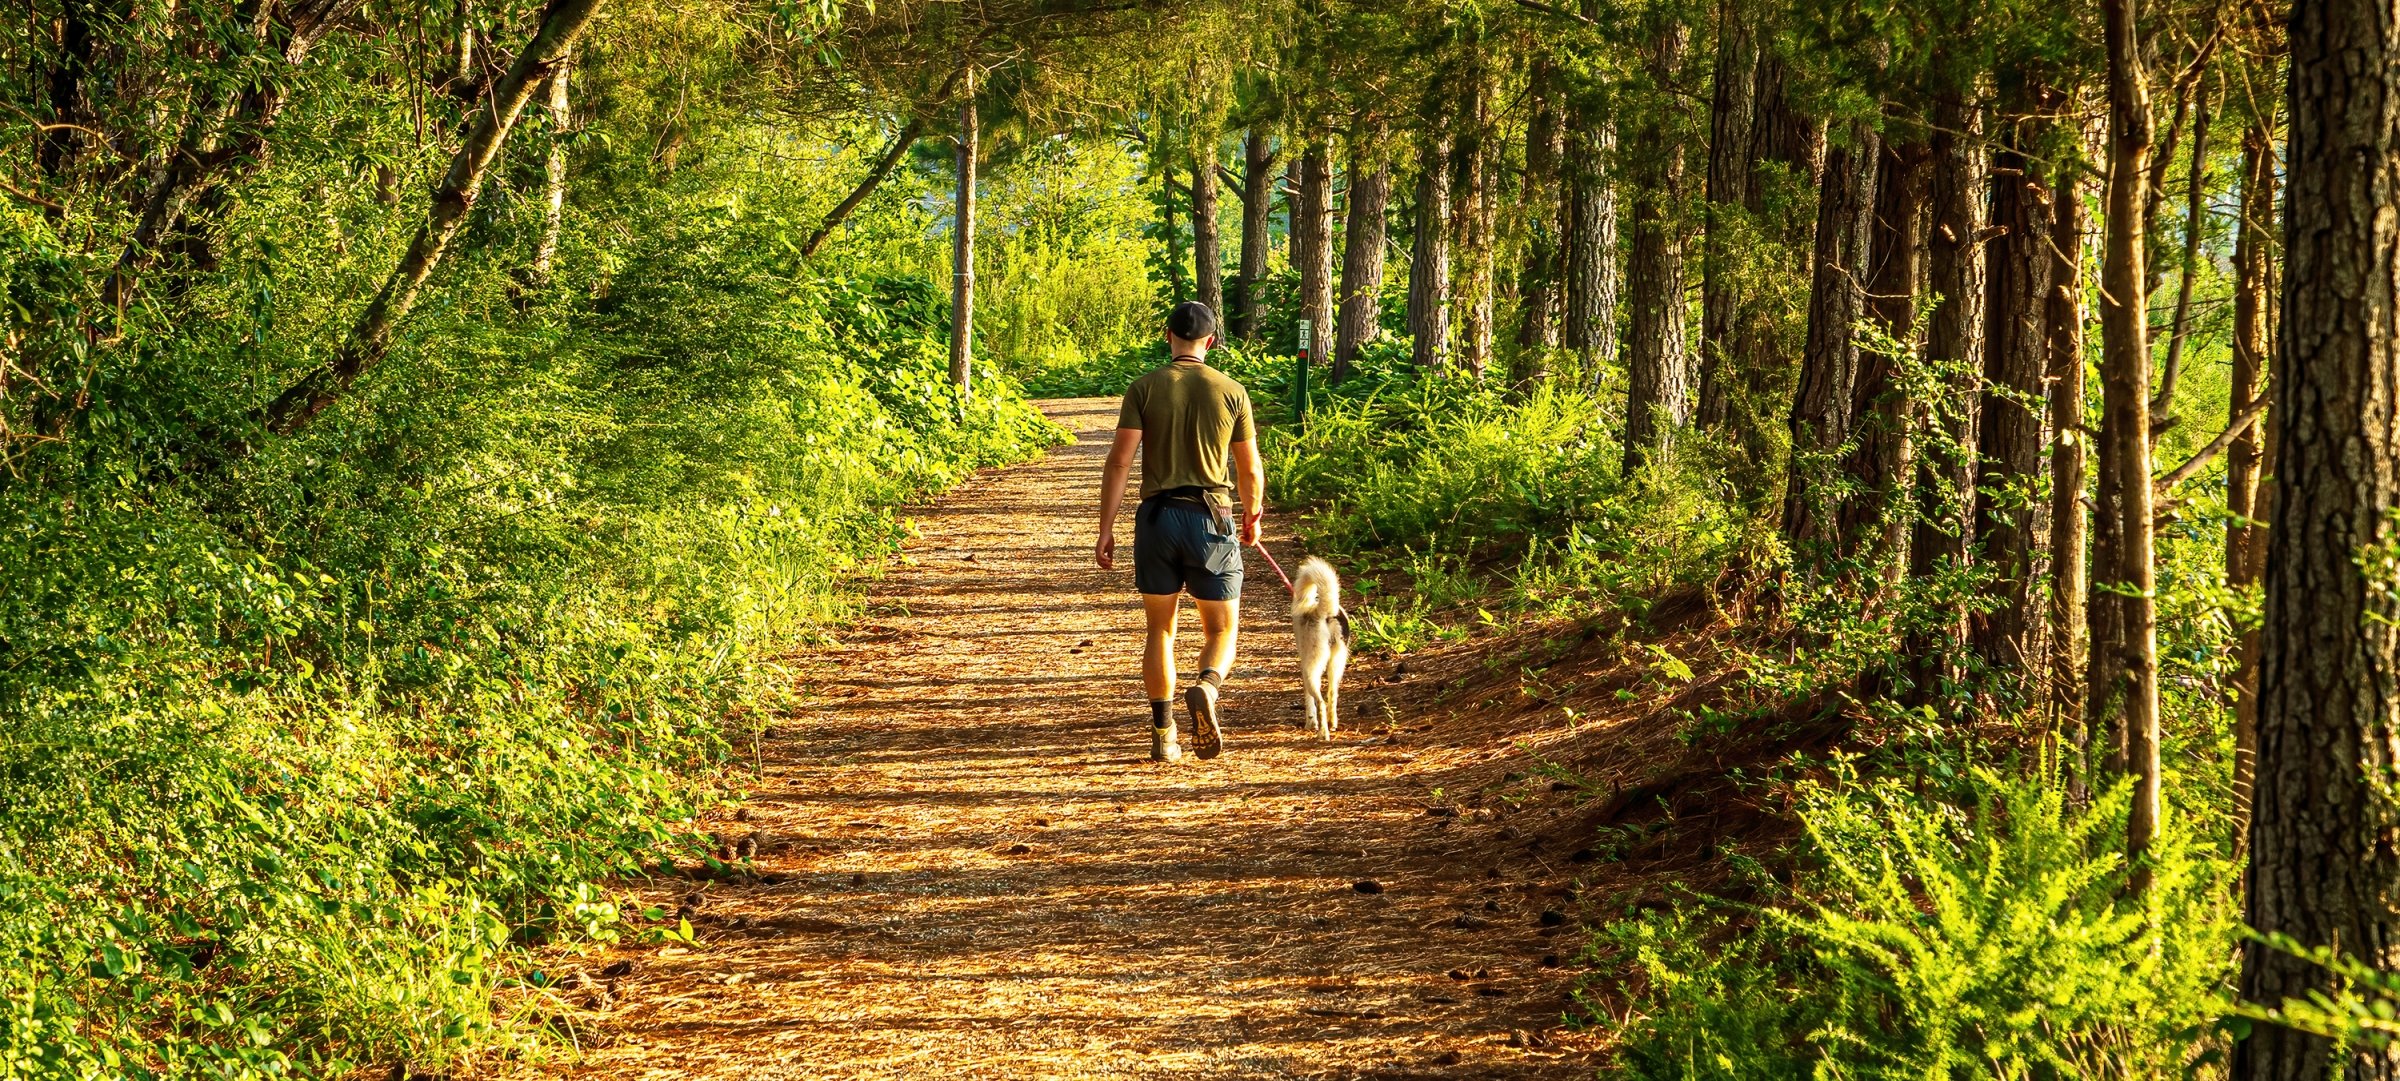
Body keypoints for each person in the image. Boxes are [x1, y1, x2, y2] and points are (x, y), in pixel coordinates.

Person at [1095, 301, 1264, 763]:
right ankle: (1207, 687)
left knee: (1160, 629)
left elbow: (1120, 462)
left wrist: (1105, 528)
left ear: (1168, 335)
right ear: (1210, 341)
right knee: (1222, 628)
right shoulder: (1232, 391)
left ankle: (1163, 732)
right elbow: (1248, 468)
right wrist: (1252, 514)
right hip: (1211, 518)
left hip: (1157, 520)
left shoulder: (1144, 388)